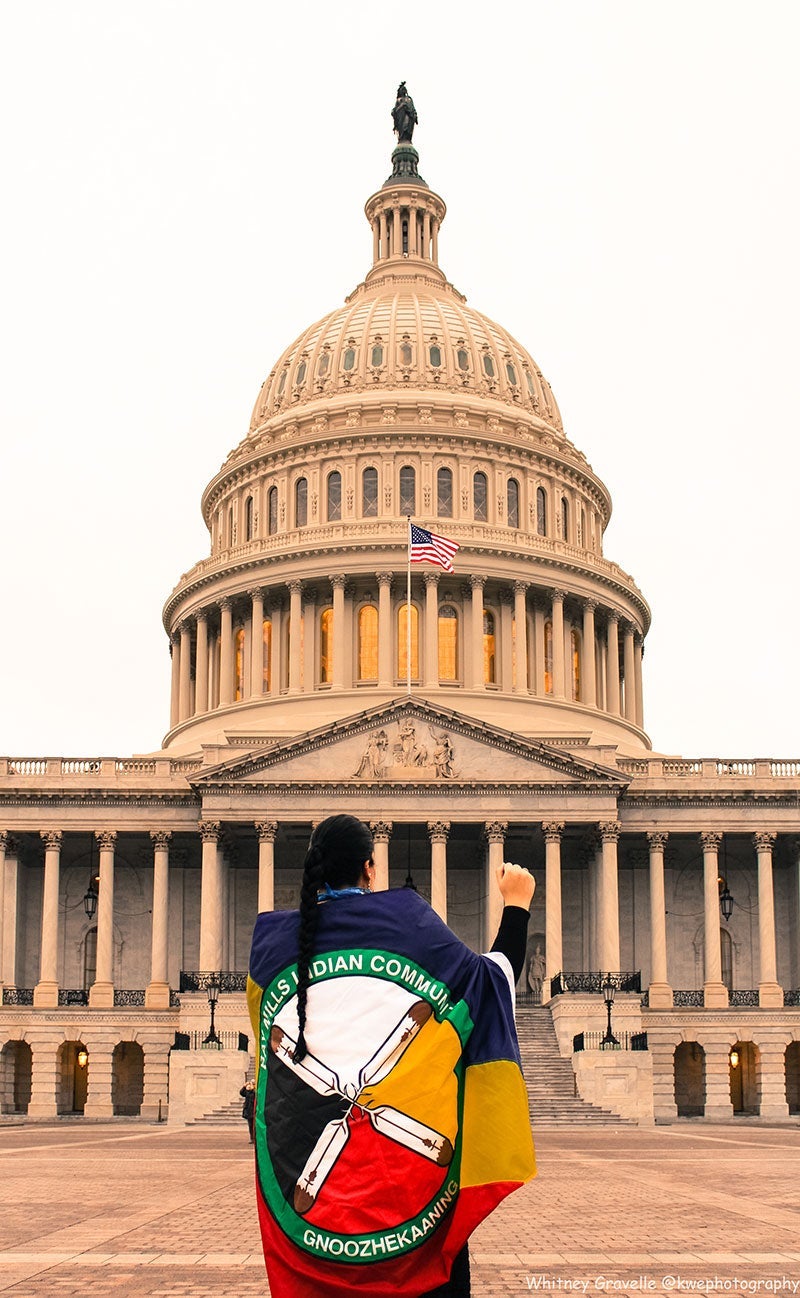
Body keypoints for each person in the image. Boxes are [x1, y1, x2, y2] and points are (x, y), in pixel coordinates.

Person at [248, 814, 536, 1298]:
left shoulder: (270, 951)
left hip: (317, 1228)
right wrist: (517, 905)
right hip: (406, 1200)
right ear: (370, 868)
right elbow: (490, 985)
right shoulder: (413, 926)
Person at [240, 1078, 255, 1142]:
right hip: (249, 1111)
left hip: (255, 1110)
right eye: (252, 1083)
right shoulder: (248, 1091)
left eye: (253, 1083)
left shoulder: (255, 1092)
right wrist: (244, 1086)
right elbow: (242, 1093)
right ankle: (252, 1138)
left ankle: (255, 1138)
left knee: (255, 1126)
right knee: (250, 1125)